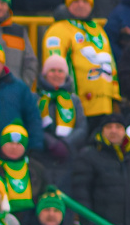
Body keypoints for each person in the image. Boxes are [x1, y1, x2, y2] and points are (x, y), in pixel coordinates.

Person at [44, 0, 120, 126]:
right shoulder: (58, 30)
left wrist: (115, 96)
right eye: (76, 1)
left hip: (104, 105)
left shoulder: (98, 29)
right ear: (68, 5)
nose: (81, 5)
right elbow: (54, 65)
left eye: (85, 1)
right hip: (75, 106)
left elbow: (110, 63)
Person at [34, 54, 89, 191]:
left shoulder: (74, 100)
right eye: (52, 70)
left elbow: (82, 127)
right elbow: (31, 124)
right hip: (41, 156)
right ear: (45, 74)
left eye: (60, 71)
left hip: (68, 158)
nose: (56, 74)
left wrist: (66, 144)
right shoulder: (35, 98)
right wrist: (50, 142)